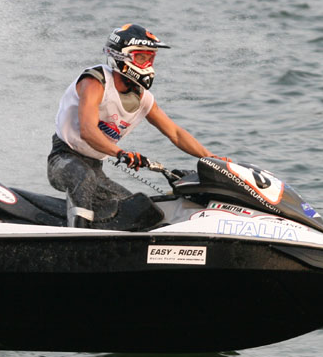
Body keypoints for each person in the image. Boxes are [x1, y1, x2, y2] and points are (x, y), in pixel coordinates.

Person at [48, 23, 212, 229]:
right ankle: (75, 240)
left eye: (151, 59)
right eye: (142, 58)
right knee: (83, 177)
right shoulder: (95, 82)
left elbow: (176, 133)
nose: (148, 65)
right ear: (122, 57)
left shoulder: (144, 99)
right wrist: (121, 153)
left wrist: (211, 159)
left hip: (95, 169)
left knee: (139, 210)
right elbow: (88, 131)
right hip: (63, 159)